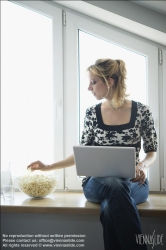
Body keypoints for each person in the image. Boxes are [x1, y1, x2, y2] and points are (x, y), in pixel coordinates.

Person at [27, 58, 157, 250]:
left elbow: (152, 151)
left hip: (133, 183)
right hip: (96, 184)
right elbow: (83, 152)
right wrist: (48, 167)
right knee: (114, 184)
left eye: (94, 82)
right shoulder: (91, 113)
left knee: (109, 209)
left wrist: (142, 165)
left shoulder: (142, 112)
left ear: (110, 81)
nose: (89, 87)